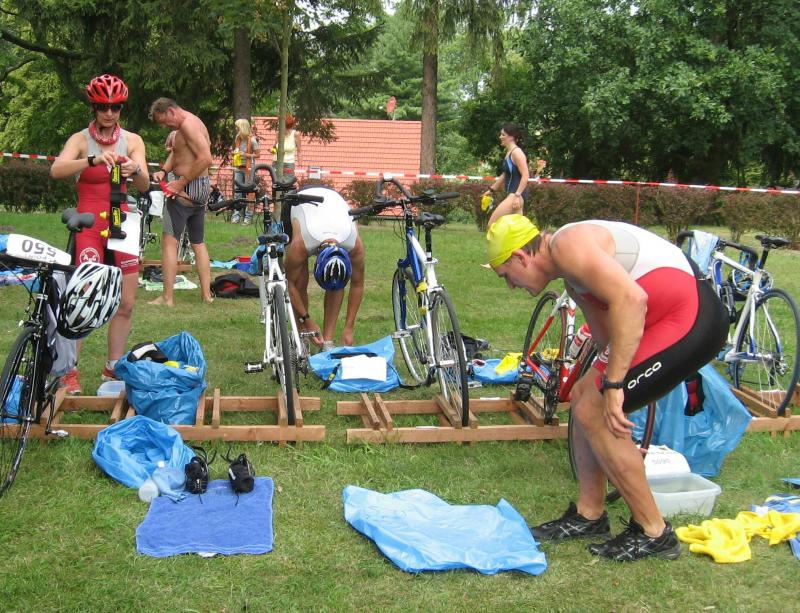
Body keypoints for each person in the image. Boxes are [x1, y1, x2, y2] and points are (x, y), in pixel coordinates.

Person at [485, 215, 728, 561]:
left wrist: (614, 386)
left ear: (521, 257)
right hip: (665, 315)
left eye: (506, 276)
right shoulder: (571, 278)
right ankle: (589, 515)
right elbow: (605, 339)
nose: (511, 286)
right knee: (583, 396)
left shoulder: (566, 246)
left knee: (596, 406)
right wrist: (606, 381)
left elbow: (632, 299)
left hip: (691, 316)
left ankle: (654, 532)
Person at [50, 74, 150, 393]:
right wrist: (90, 160)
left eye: (115, 107)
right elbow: (56, 169)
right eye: (103, 107)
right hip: (90, 221)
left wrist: (136, 170)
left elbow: (145, 184)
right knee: (83, 296)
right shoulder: (81, 139)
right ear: (93, 108)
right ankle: (68, 370)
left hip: (123, 220)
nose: (109, 113)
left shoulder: (132, 140)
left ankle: (113, 367)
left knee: (127, 301)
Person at [148, 98, 214, 306]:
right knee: (198, 242)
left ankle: (167, 297)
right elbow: (178, 153)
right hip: (201, 188)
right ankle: (206, 296)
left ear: (171, 111)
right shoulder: (192, 123)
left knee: (169, 241)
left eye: (164, 121)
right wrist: (164, 171)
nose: (164, 126)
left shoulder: (187, 126)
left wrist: (180, 183)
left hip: (187, 188)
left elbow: (206, 158)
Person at [284, 186, 365, 349]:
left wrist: (349, 328)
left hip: (333, 201)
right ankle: (301, 335)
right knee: (299, 280)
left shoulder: (354, 244)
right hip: (299, 203)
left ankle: (327, 341)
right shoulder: (301, 245)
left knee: (336, 280)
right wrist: (307, 320)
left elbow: (357, 285)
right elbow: (289, 284)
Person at [483, 123, 529, 226]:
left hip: (515, 196)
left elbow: (525, 175)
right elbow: (505, 175)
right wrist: (491, 190)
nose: (500, 137)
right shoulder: (509, 152)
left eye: (503, 135)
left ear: (511, 137)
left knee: (492, 225)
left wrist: (517, 195)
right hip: (513, 196)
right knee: (515, 230)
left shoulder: (517, 153)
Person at [231, 119, 259, 224]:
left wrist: (246, 155)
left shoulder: (252, 140)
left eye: (237, 126)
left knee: (250, 193)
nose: (236, 128)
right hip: (239, 167)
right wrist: (235, 153)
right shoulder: (238, 138)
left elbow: (258, 154)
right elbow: (237, 149)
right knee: (237, 192)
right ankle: (236, 216)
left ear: (242, 127)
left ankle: (248, 218)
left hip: (249, 168)